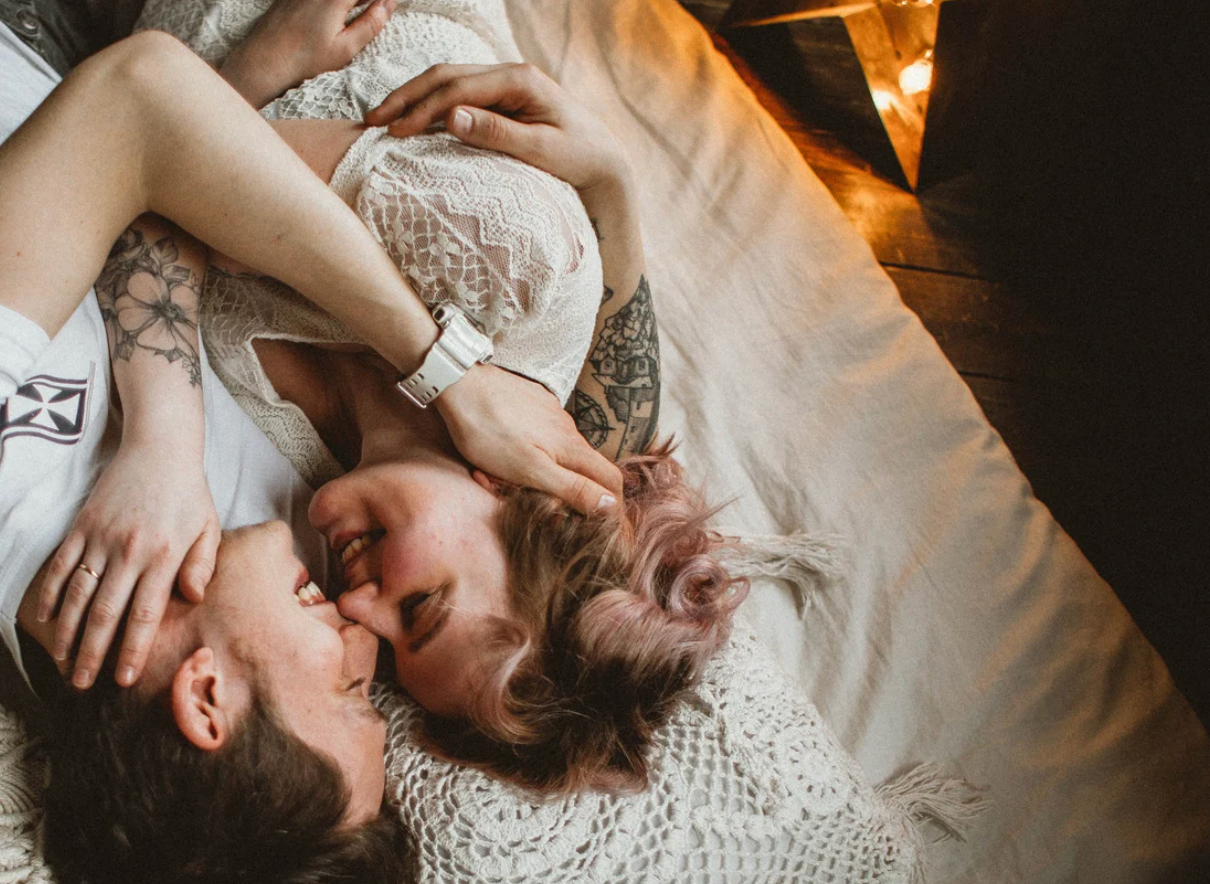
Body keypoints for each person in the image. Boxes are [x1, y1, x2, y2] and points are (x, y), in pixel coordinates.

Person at [0, 0, 614, 884]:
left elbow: (138, 107)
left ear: (206, 700)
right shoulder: (268, 542)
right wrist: (611, 187)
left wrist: (165, 437)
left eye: (349, 694)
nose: (361, 637)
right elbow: (171, 194)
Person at [84, 0, 752, 791]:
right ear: (519, 491)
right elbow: (161, 143)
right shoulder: (515, 263)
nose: (357, 614)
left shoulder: (306, 484)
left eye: (393, 653)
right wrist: (444, 369)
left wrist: (613, 184)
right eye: (422, 608)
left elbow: (124, 193)